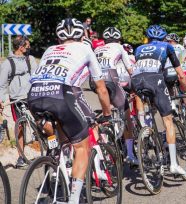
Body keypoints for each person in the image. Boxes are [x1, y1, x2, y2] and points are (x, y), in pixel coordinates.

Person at [27, 18, 111, 204]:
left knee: (62, 135)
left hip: (33, 95)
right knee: (82, 147)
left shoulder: (49, 50)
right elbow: (101, 89)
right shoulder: (85, 48)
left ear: (58, 38)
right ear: (83, 35)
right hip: (61, 94)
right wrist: (107, 114)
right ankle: (73, 200)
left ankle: (55, 151)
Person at [131, 25, 186, 175]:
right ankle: (173, 164)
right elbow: (181, 75)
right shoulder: (167, 46)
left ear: (148, 38)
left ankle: (146, 129)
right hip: (155, 80)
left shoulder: (139, 48)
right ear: (164, 38)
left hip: (136, 80)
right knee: (168, 120)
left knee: (149, 106)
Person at [94, 27, 139, 165]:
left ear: (105, 40)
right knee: (126, 114)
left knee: (106, 110)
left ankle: (105, 139)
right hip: (111, 78)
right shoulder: (120, 48)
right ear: (119, 39)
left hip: (95, 81)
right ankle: (131, 155)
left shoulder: (97, 49)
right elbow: (130, 70)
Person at [0, 35, 38, 167]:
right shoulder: (7, 64)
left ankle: (38, 135)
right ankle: (21, 157)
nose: (29, 48)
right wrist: (1, 99)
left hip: (31, 96)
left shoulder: (30, 59)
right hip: (16, 99)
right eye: (27, 46)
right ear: (20, 47)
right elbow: (2, 85)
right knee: (20, 127)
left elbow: (36, 76)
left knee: (41, 119)